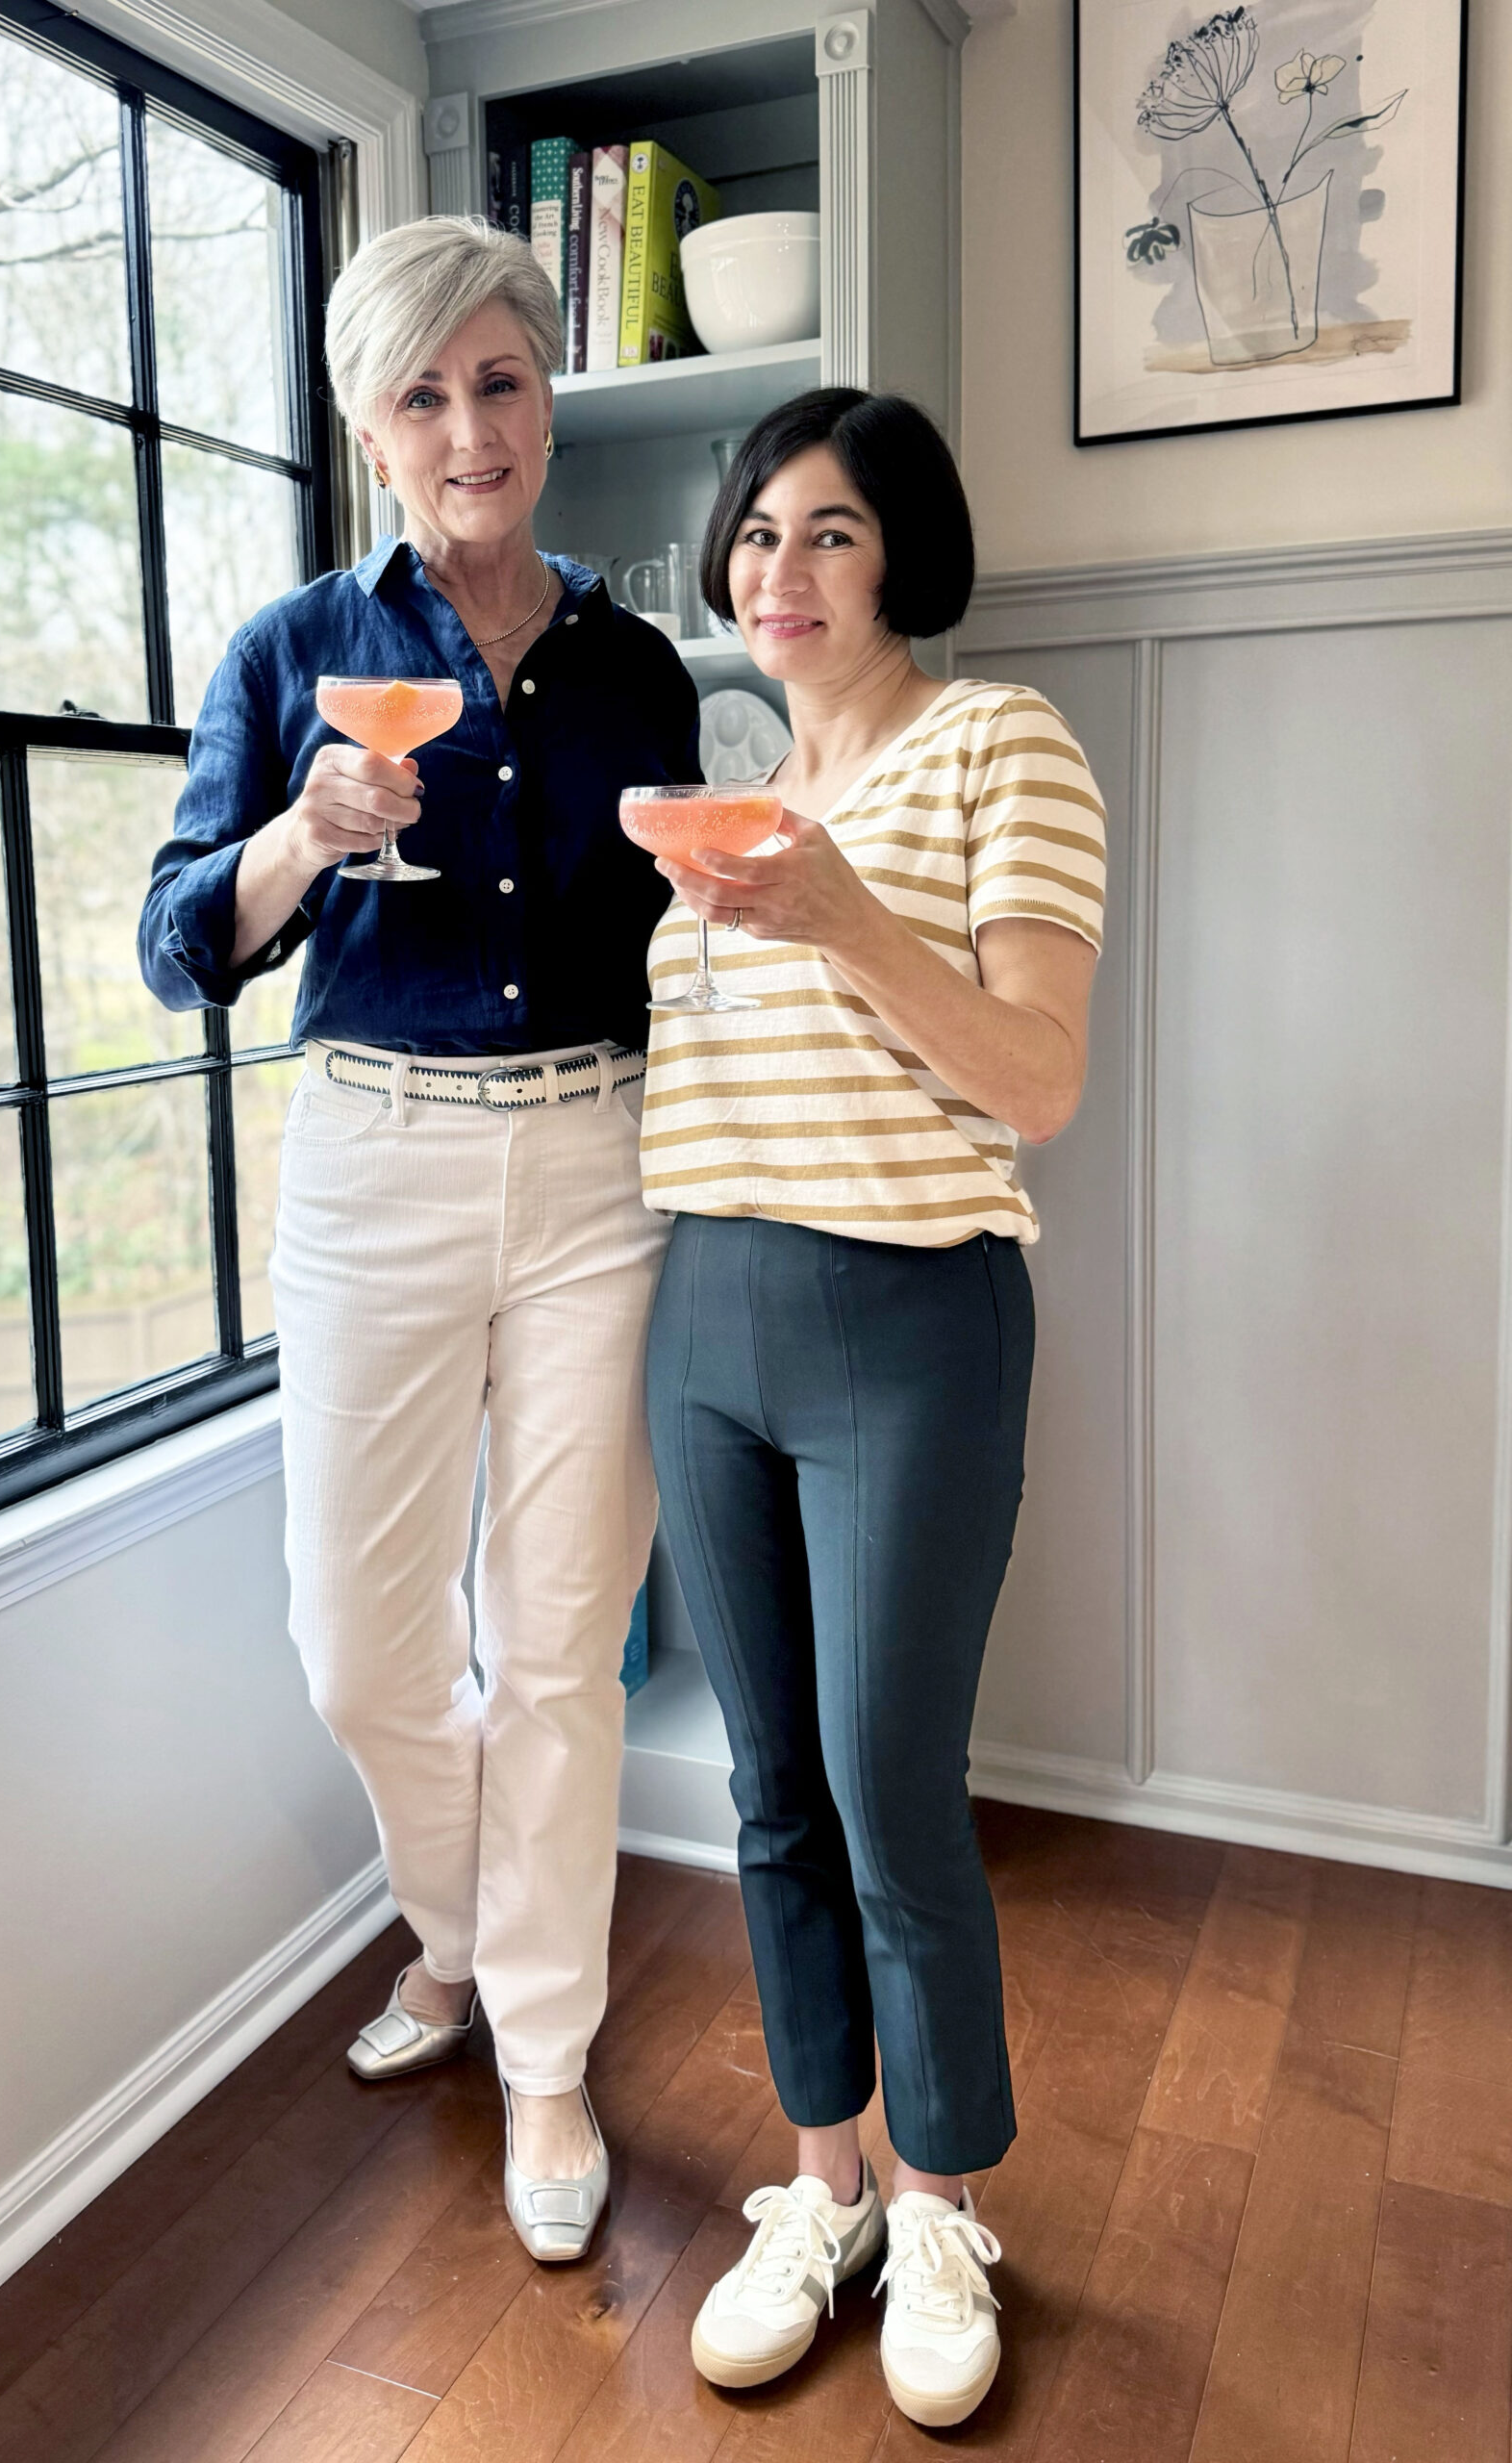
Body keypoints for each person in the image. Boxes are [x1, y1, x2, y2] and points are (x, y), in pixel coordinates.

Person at [139, 216, 699, 2261]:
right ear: (369, 432)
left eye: (503, 382)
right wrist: (303, 835)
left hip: (598, 1164)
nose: (472, 430)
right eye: (424, 396)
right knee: (360, 1647)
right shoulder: (289, 650)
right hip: (372, 1158)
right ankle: (455, 1932)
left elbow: (676, 949)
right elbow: (179, 943)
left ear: (547, 401)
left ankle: (541, 2050)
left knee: (558, 1642)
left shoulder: (634, 669)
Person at [641, 389, 1104, 2425]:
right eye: (758, 533)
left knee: (888, 1783)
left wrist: (841, 915)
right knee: (770, 1790)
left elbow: (1038, 1076)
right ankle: (821, 2183)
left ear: (902, 551)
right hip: (705, 1309)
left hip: (913, 1315)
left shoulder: (1004, 743)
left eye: (829, 530)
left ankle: (939, 2202)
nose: (782, 570)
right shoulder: (731, 797)